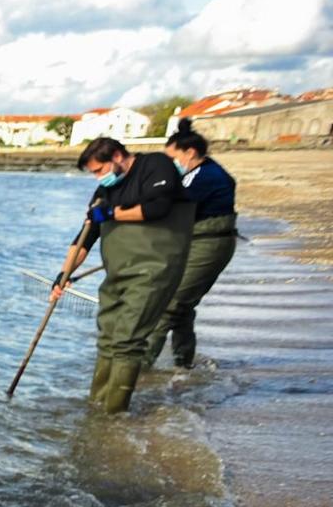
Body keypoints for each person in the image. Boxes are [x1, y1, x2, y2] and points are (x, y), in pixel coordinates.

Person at [49, 136, 193, 413]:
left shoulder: (156, 166)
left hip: (154, 269)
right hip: (117, 273)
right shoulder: (104, 191)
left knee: (127, 340)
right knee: (107, 337)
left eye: (99, 170)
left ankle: (113, 414)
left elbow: (157, 207)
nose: (97, 178)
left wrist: (112, 213)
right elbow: (84, 239)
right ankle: (97, 406)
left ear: (116, 156)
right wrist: (63, 276)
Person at [145, 126, 238, 369]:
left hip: (210, 244)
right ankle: (183, 365)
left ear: (191, 152)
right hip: (194, 241)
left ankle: (139, 370)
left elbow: (172, 207)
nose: (170, 163)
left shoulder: (208, 177)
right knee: (182, 307)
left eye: (173, 158)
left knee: (169, 305)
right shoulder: (193, 173)